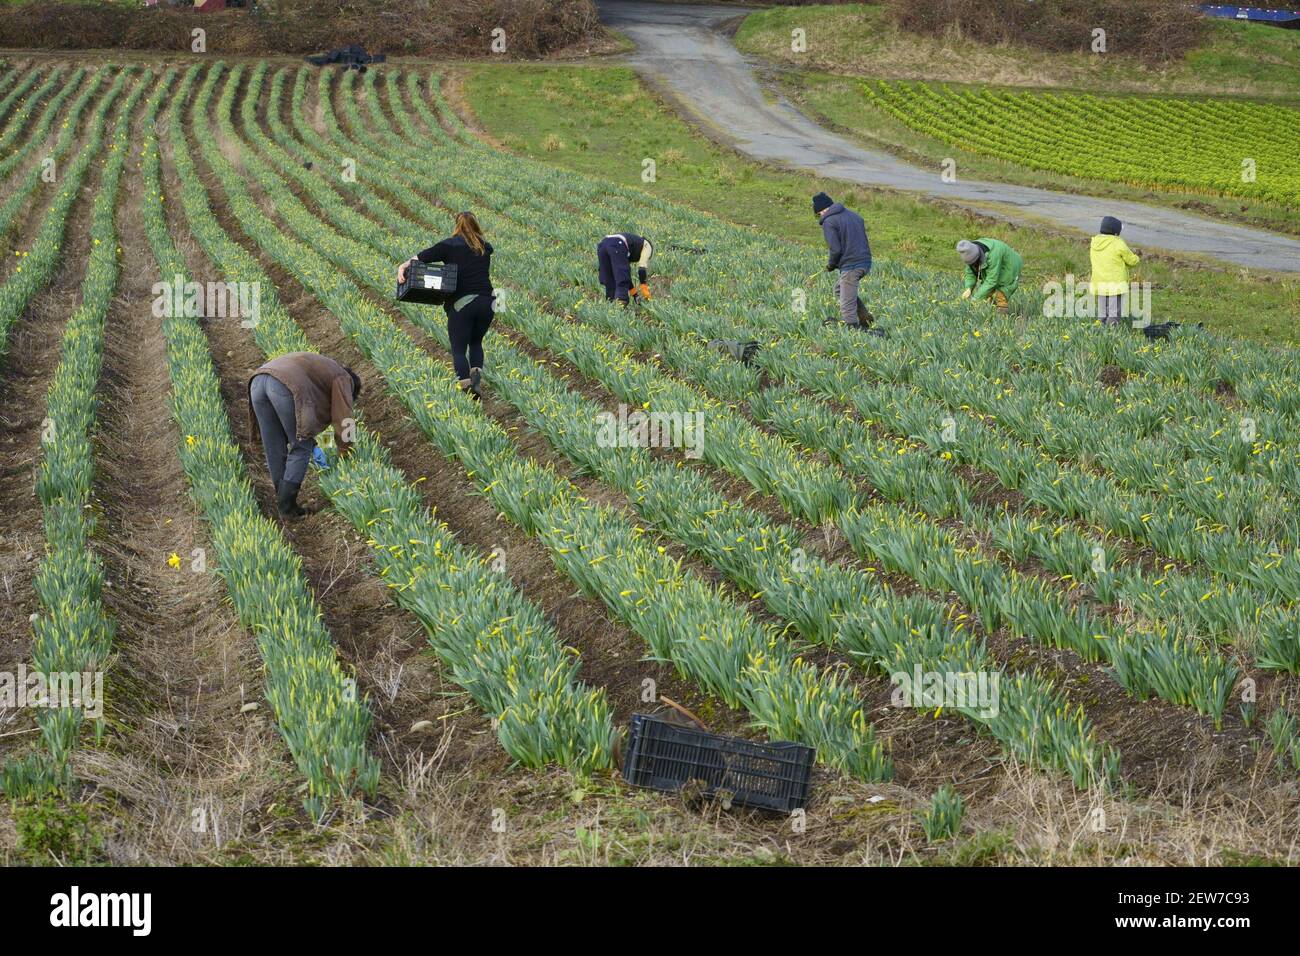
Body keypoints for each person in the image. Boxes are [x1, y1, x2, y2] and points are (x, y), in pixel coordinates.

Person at [248, 352, 360, 518]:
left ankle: (282, 499)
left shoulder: (323, 368)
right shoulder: (343, 378)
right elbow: (344, 418)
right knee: (301, 446)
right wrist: (346, 450)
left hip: (258, 382)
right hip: (283, 386)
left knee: (274, 446)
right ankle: (287, 508)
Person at [398, 211, 494, 399]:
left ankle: (468, 390)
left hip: (463, 304)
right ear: (476, 225)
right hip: (488, 302)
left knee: (458, 349)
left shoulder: (450, 245)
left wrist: (402, 266)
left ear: (457, 226)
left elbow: (421, 258)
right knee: (476, 342)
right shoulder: (485, 247)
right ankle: (476, 381)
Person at [813, 192, 873, 328]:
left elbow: (835, 249)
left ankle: (852, 328)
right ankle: (865, 317)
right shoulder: (854, 216)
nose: (819, 217)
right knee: (840, 289)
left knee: (846, 302)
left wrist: (831, 265)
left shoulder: (829, 222)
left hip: (852, 264)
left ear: (823, 210)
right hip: (866, 261)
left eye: (818, 214)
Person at [1090, 216, 1140, 327]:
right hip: (1115, 284)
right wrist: (1137, 257)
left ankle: (1099, 329)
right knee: (1114, 312)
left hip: (1099, 282)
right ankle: (1111, 333)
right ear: (1116, 232)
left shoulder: (1094, 243)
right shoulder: (1118, 243)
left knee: (1103, 311)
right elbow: (1132, 261)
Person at [956, 238, 1022, 315]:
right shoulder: (970, 251)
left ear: (978, 258)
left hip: (1010, 265)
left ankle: (1003, 319)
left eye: (975, 263)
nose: (974, 265)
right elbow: (970, 273)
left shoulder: (993, 255)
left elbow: (991, 281)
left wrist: (975, 299)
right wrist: (968, 288)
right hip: (996, 263)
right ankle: (992, 318)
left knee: (1000, 295)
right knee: (989, 294)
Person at [597, 232, 653, 305]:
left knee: (609, 278)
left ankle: (611, 306)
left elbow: (626, 274)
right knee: (622, 277)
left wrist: (635, 295)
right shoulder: (648, 246)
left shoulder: (631, 247)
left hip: (603, 244)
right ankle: (621, 302)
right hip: (617, 243)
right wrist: (645, 292)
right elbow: (642, 269)